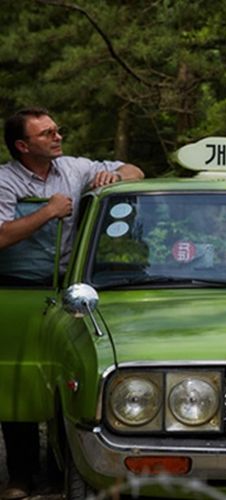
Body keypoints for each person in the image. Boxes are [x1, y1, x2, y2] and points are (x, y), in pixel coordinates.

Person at [0, 107, 144, 499]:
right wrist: (47, 212)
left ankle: (58, 470)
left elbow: (136, 171)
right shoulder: (5, 181)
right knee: (20, 385)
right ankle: (20, 476)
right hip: (18, 290)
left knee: (66, 382)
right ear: (22, 146)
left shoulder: (75, 168)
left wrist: (114, 176)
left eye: (57, 130)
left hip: (71, 291)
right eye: (47, 134)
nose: (57, 137)